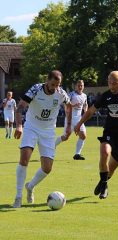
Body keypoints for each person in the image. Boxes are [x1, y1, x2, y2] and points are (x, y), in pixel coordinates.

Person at [74, 70, 118, 199]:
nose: (111, 86)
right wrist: (79, 124)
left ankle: (102, 181)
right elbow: (90, 111)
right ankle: (105, 187)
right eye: (109, 83)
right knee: (105, 152)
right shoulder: (106, 96)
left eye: (114, 84)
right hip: (110, 130)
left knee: (111, 169)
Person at [13, 70, 72, 208]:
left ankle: (30, 186)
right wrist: (19, 125)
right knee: (24, 159)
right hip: (31, 127)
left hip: (48, 132)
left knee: (47, 168)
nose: (55, 88)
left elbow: (69, 107)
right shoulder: (36, 89)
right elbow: (20, 107)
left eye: (57, 85)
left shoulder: (61, 93)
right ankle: (18, 196)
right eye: (52, 84)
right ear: (47, 80)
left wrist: (68, 127)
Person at [55, 80, 88, 160]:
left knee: (83, 136)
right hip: (70, 118)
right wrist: (73, 105)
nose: (80, 87)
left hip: (79, 119)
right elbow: (65, 106)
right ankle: (53, 145)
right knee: (66, 137)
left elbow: (85, 104)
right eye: (79, 85)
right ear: (75, 86)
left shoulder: (84, 96)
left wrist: (85, 111)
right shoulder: (71, 95)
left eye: (82, 85)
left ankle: (77, 154)